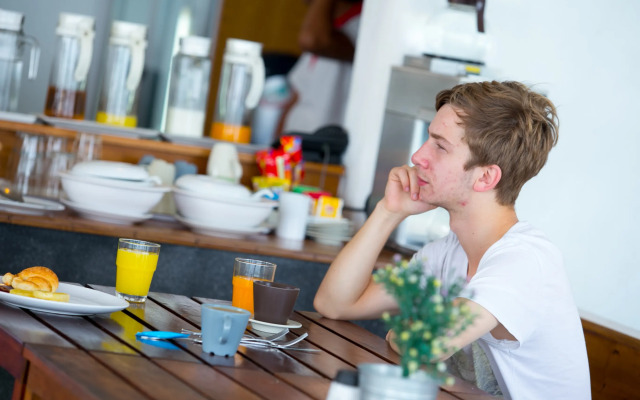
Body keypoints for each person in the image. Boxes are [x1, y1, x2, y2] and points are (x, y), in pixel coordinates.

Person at [313, 81, 591, 399]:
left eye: (439, 146)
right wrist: (388, 212)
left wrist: (400, 334)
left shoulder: (525, 261)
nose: (418, 156)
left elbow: (426, 346)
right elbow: (334, 304)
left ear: (485, 177)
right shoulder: (448, 253)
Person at [280, 0, 362, 135]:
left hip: (322, 148)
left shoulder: (361, 26)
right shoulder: (325, 27)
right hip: (295, 143)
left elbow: (311, 40)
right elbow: (297, 95)